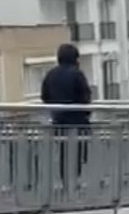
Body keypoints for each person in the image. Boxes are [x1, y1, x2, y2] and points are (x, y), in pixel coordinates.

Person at [40, 43, 93, 184]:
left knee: (64, 153)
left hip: (59, 122)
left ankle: (66, 183)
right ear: (75, 58)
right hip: (78, 122)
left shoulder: (50, 75)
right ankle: (74, 182)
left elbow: (45, 96)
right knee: (78, 154)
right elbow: (85, 96)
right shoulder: (77, 74)